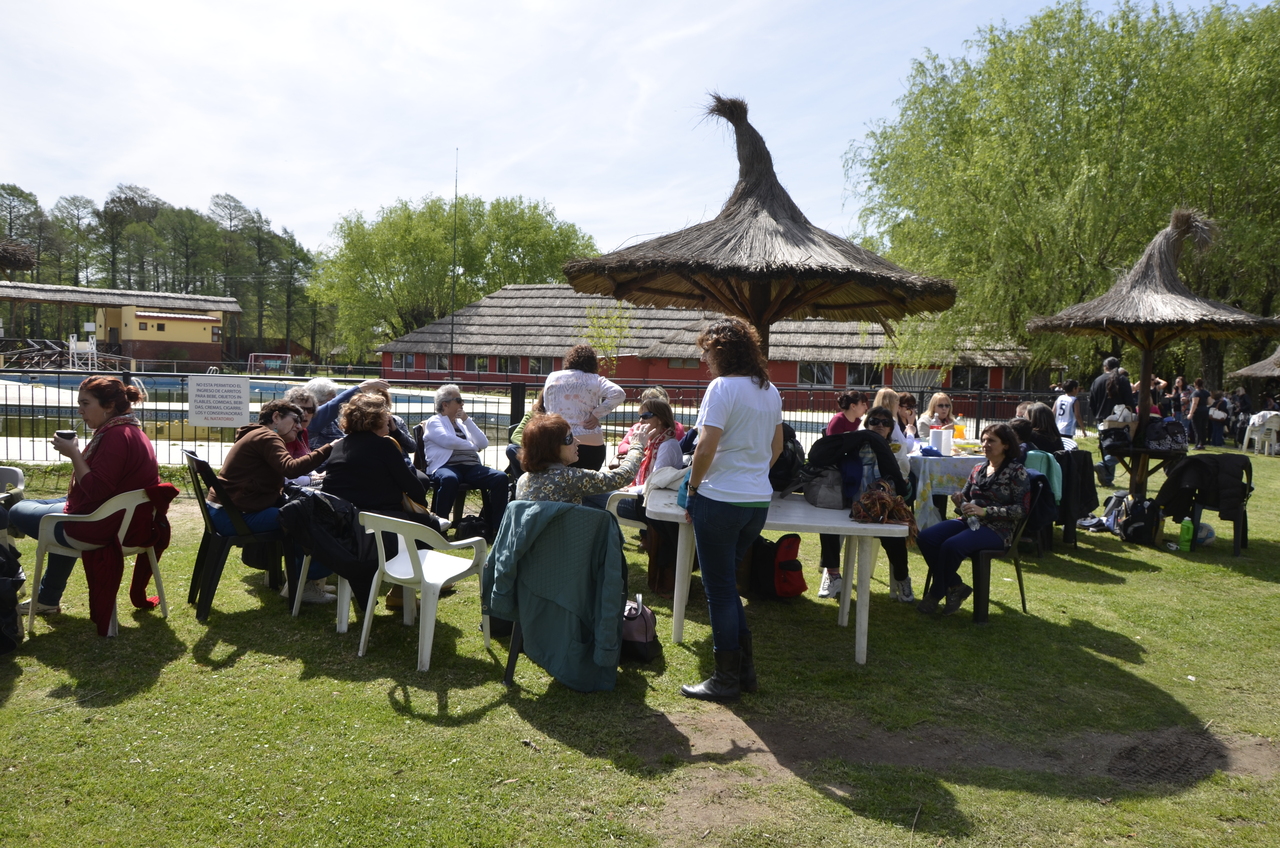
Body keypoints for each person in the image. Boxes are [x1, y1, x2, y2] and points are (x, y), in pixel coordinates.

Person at [680, 318, 783, 702]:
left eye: (707, 351)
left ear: (722, 351)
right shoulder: (770, 390)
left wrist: (693, 488)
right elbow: (776, 449)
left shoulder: (721, 388)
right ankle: (744, 673)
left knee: (720, 589)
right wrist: (752, 475)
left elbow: (705, 448)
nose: (705, 359)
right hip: (756, 503)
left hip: (720, 500)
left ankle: (726, 680)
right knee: (726, 585)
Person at [14, 377, 162, 616]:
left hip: (103, 525)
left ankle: (32, 584)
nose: (80, 410)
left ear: (109, 406)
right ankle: (47, 598)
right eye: (79, 403)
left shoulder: (116, 436)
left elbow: (96, 490)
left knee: (16, 510)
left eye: (85, 403)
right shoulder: (130, 428)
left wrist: (74, 453)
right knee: (41, 507)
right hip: (124, 519)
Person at [208, 399, 336, 604]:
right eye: (295, 420)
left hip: (223, 512)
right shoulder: (267, 436)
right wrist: (329, 448)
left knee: (297, 512)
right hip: (233, 517)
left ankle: (300, 581)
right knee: (306, 518)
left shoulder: (255, 434)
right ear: (276, 417)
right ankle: (304, 583)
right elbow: (290, 469)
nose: (299, 426)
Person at [916, 422, 1030, 616]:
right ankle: (956, 586)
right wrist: (960, 501)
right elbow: (966, 499)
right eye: (983, 440)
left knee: (951, 545)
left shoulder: (1016, 471)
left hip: (998, 530)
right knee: (926, 537)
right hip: (970, 522)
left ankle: (935, 594)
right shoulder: (978, 468)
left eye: (991, 441)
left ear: (1006, 445)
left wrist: (985, 512)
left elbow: (1021, 510)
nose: (985, 444)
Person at [816, 406, 914, 603]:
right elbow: (820, 454)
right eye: (874, 421)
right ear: (867, 424)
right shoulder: (853, 445)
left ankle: (902, 578)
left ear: (890, 428)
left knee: (895, 537)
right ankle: (833, 575)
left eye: (885, 423)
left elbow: (905, 489)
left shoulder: (896, 450)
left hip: (882, 507)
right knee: (827, 526)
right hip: (850, 505)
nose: (879, 425)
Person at [422, 384, 509, 538]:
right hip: (446, 466)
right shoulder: (434, 421)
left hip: (471, 467)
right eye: (459, 400)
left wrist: (467, 420)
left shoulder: (462, 424)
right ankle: (439, 528)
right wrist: (473, 447)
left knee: (500, 477)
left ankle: (496, 528)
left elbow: (483, 443)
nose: (462, 404)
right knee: (449, 479)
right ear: (445, 404)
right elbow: (448, 441)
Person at [516, 413, 646, 503]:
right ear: (551, 447)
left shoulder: (523, 480)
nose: (577, 441)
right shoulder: (570, 478)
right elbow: (623, 476)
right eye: (569, 438)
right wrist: (637, 445)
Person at [542, 345, 625, 471]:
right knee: (589, 482)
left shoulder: (553, 377)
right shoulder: (595, 380)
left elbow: (547, 407)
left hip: (559, 441)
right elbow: (618, 393)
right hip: (591, 441)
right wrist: (596, 414)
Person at [305, 377, 391, 450]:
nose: (336, 398)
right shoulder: (311, 418)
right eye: (332, 396)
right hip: (327, 461)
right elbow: (333, 405)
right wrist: (361, 388)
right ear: (319, 398)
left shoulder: (329, 418)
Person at [614, 386, 685, 464]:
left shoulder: (669, 440)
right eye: (644, 400)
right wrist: (637, 447)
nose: (641, 420)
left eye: (646, 415)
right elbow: (622, 446)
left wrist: (639, 447)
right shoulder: (638, 427)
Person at [1090, 357, 1133, 485]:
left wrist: (1097, 415)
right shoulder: (1122, 380)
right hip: (1119, 419)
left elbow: (1092, 402)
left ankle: (1107, 477)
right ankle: (1105, 469)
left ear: (1105, 367)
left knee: (1107, 447)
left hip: (1102, 418)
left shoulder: (1097, 380)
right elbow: (1129, 401)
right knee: (1123, 447)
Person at [1188, 377, 1211, 450]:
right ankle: (1202, 444)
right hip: (1205, 410)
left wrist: (1191, 413)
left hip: (1197, 412)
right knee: (1203, 428)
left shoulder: (1196, 393)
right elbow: (1210, 402)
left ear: (1195, 384)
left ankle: (1197, 444)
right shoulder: (1206, 392)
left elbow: (1194, 403)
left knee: (1197, 428)